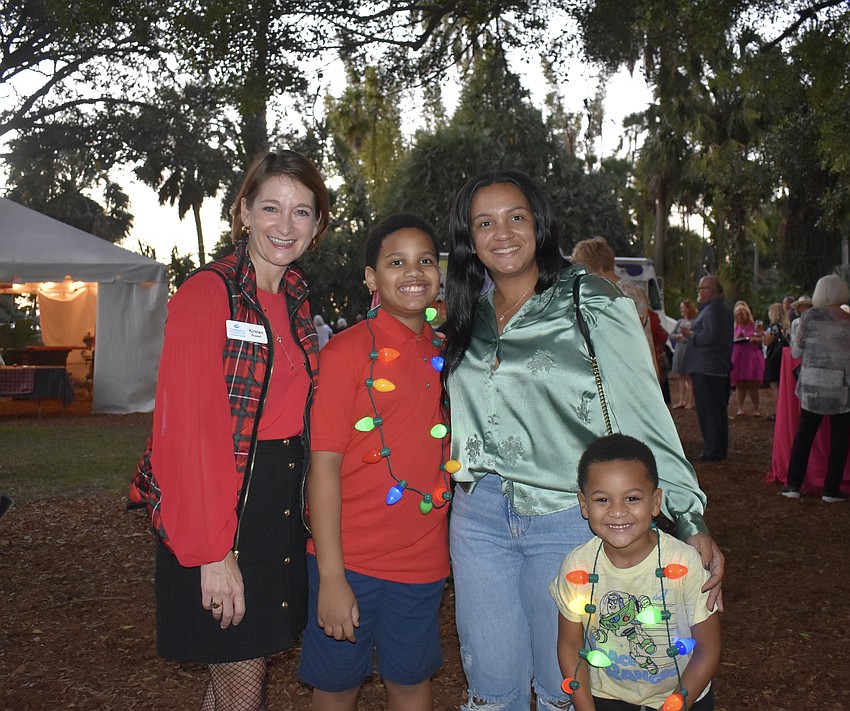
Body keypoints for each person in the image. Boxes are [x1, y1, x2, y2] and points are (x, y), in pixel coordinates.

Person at [441, 169, 724, 711]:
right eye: (485, 222)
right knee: (492, 688)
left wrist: (689, 518)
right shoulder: (464, 312)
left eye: (515, 217)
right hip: (478, 520)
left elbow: (645, 414)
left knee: (563, 687)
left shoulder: (586, 300)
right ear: (469, 238)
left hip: (566, 517)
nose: (502, 233)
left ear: (539, 223)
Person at [142, 150, 329, 710]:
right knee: (244, 681)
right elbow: (190, 433)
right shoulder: (208, 293)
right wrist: (212, 551)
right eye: (271, 207)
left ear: (317, 225)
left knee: (232, 679)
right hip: (223, 506)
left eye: (302, 212)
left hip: (279, 505)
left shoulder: (294, 297)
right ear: (244, 212)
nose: (285, 225)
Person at [298, 213, 451, 710]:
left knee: (410, 681)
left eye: (424, 260)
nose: (413, 271)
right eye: (396, 262)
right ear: (371, 277)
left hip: (423, 561)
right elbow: (322, 467)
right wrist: (333, 578)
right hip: (350, 559)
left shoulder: (448, 354)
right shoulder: (345, 354)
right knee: (338, 686)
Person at [551, 434, 720, 711]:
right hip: (608, 698)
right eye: (603, 499)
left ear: (655, 502)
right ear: (584, 505)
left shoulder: (684, 563)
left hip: (685, 697)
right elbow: (569, 645)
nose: (618, 512)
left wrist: (675, 704)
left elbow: (707, 648)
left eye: (632, 498)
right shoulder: (577, 568)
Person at [781, 274, 850, 503]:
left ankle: (793, 485)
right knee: (839, 441)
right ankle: (831, 490)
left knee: (804, 437)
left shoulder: (809, 317)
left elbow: (796, 352)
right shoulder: (847, 319)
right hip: (842, 389)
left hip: (812, 388)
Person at [571, 236, 660, 380]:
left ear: (598, 270)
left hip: (632, 378)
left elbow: (620, 339)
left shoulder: (625, 293)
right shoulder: (614, 290)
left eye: (582, 272)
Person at [680, 277, 734, 461]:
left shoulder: (713, 310)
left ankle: (713, 449)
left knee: (709, 410)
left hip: (707, 367)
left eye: (701, 288)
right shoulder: (719, 309)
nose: (698, 292)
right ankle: (717, 447)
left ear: (710, 290)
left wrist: (691, 335)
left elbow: (709, 336)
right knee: (717, 409)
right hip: (713, 366)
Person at [730, 300, 764, 417]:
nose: (740, 316)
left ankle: (756, 408)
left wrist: (752, 338)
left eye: (742, 313)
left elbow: (762, 339)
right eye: (737, 314)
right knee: (740, 384)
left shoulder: (755, 326)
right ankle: (740, 408)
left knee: (753, 384)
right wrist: (737, 337)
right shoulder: (734, 327)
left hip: (751, 357)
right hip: (738, 356)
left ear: (747, 314)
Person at [762, 302, 790, 421]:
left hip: (774, 358)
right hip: (783, 357)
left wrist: (761, 334)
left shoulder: (773, 327)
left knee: (774, 386)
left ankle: (778, 412)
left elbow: (767, 341)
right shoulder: (786, 327)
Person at [671, 300, 698, 409]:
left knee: (689, 376)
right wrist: (676, 336)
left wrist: (688, 335)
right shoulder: (679, 322)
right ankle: (682, 400)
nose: (681, 310)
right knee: (680, 375)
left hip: (689, 350)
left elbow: (696, 335)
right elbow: (671, 334)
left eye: (683, 308)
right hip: (680, 349)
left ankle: (691, 401)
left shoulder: (695, 322)